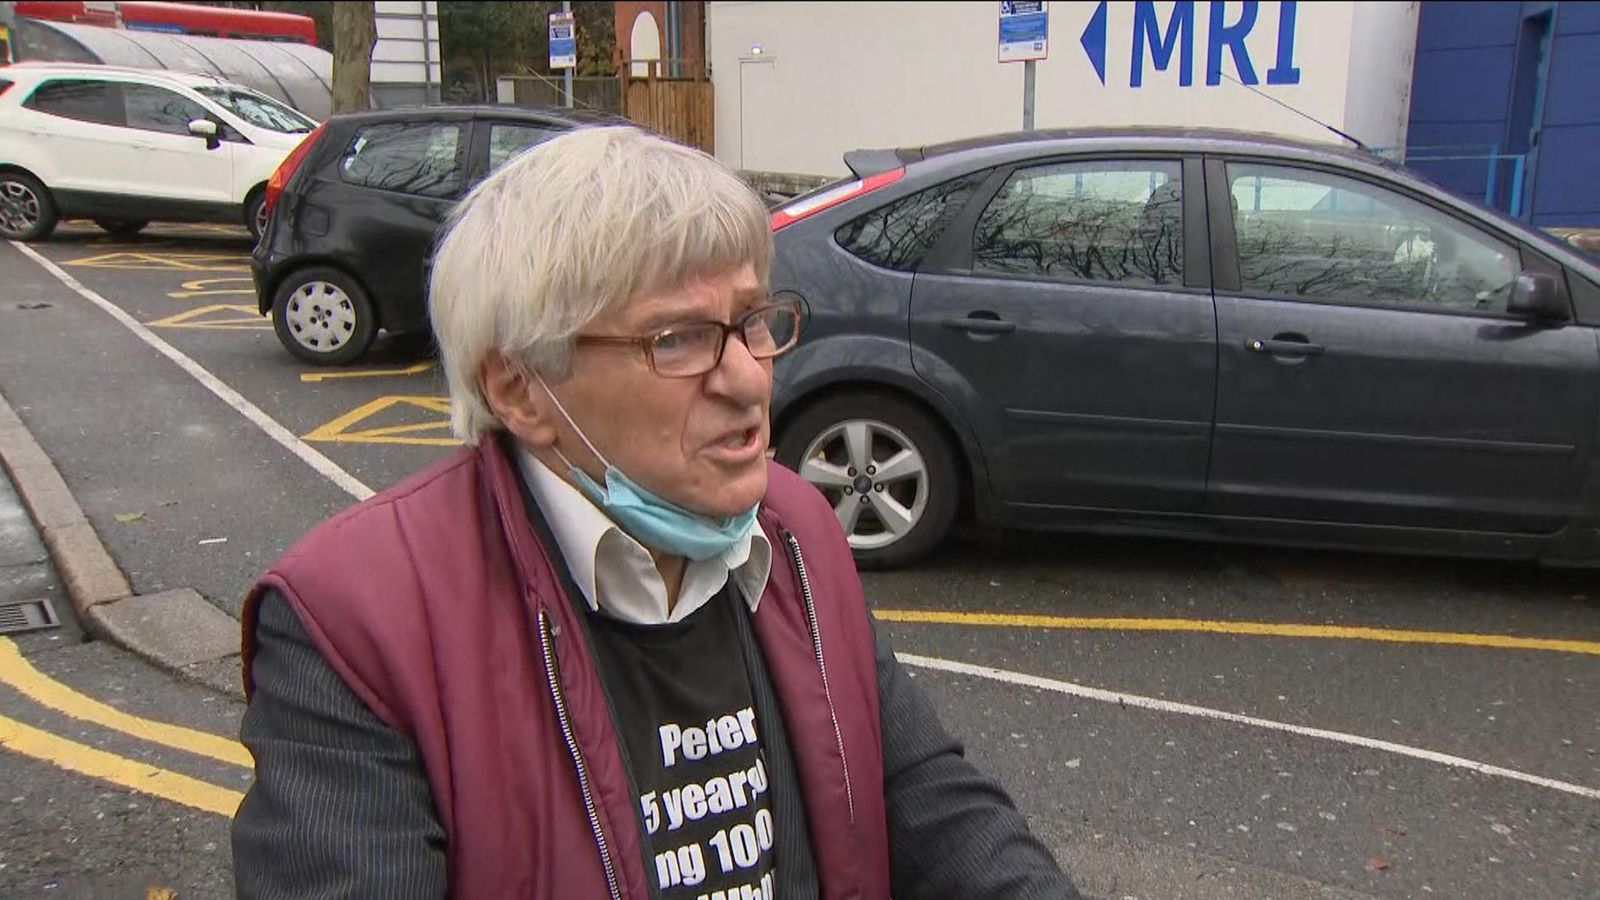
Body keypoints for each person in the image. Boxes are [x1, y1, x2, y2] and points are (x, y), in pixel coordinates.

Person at [231, 125, 1079, 900]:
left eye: (752, 320)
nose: (749, 378)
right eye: (675, 339)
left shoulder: (794, 529)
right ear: (520, 388)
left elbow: (922, 795)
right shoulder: (354, 621)